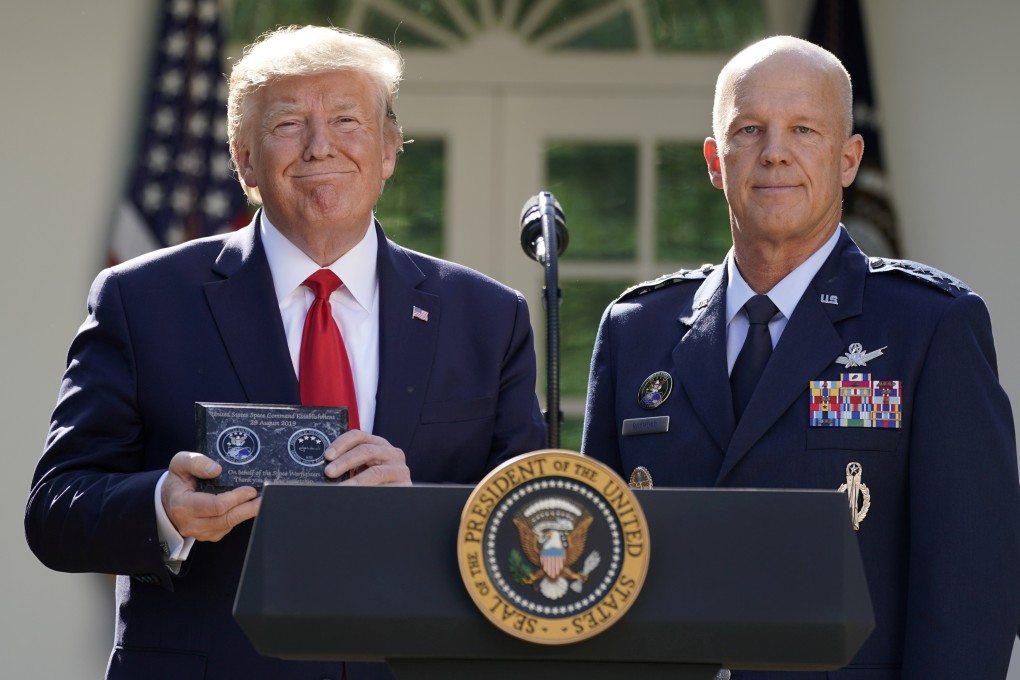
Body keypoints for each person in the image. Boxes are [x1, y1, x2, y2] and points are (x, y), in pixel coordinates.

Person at [25, 25, 545, 680]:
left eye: (347, 120)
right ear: (244, 159)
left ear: (389, 149)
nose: (321, 146)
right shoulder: (142, 300)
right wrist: (162, 505)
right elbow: (55, 510)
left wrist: (421, 507)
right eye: (289, 124)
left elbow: (532, 524)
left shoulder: (488, 317)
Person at [582, 35, 1020, 678]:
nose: (775, 152)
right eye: (749, 129)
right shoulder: (637, 330)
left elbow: (973, 586)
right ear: (714, 160)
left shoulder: (929, 326)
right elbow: (600, 567)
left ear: (848, 159)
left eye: (804, 130)